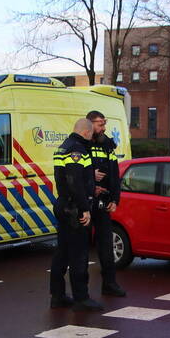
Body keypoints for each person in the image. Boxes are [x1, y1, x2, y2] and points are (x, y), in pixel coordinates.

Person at [49, 118, 103, 312]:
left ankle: (58, 296)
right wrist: (84, 208)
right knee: (79, 254)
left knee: (62, 253)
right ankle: (81, 298)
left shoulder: (63, 147)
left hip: (64, 204)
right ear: (86, 132)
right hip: (74, 208)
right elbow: (75, 181)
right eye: (91, 134)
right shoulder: (77, 149)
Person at [86, 110, 125, 297]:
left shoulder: (107, 145)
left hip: (103, 202)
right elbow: (72, 173)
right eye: (100, 124)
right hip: (85, 202)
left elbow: (114, 174)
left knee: (106, 244)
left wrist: (115, 199)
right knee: (80, 247)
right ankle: (79, 292)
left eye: (104, 124)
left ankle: (110, 283)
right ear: (90, 124)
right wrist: (90, 177)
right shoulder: (81, 144)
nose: (104, 128)